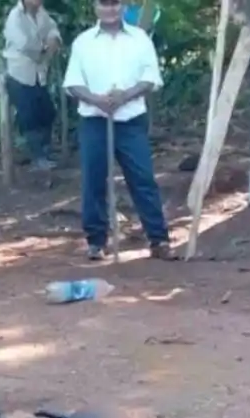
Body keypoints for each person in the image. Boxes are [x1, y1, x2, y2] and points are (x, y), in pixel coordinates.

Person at [62, 0, 175, 261]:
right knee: (94, 180)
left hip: (131, 119)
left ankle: (158, 239)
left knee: (143, 178)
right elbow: (73, 83)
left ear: (122, 6)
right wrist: (96, 99)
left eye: (114, 4)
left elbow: (151, 77)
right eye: (104, 4)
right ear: (95, 6)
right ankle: (96, 242)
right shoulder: (83, 42)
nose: (110, 9)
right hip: (94, 120)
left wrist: (125, 95)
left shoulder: (139, 38)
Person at [3, 0, 62, 171]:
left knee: (48, 112)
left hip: (39, 75)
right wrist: (46, 47)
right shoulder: (15, 17)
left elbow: (52, 29)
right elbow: (26, 46)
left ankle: (45, 152)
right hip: (19, 74)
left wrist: (53, 39)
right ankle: (37, 157)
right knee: (29, 117)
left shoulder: (42, 13)